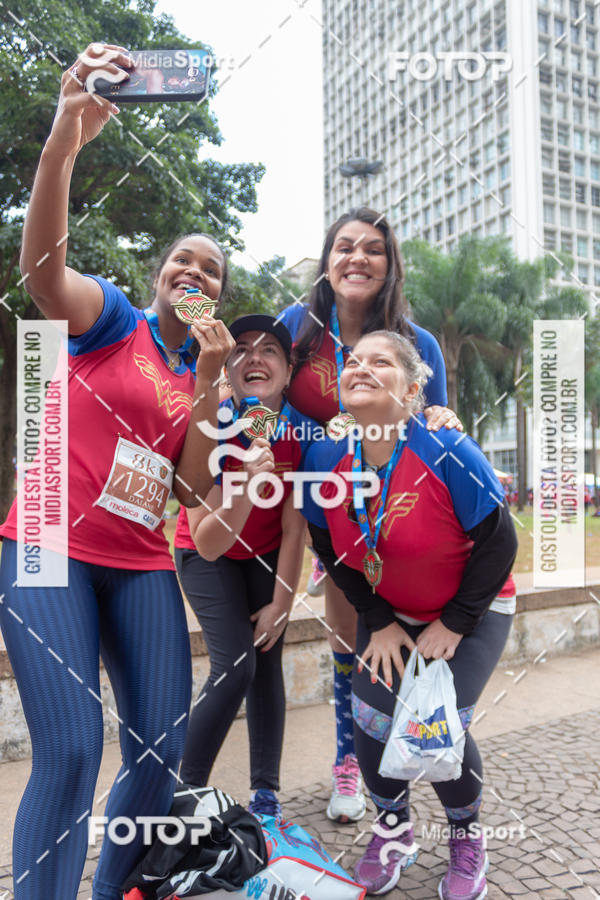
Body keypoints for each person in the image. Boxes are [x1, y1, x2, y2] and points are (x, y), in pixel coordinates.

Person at [0, 44, 234, 900]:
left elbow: (191, 491)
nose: (196, 272)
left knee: (159, 749)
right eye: (184, 260)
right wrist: (66, 140)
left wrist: (210, 391)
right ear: (160, 276)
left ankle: (111, 890)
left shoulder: (201, 378)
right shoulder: (114, 319)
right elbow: (41, 279)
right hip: (45, 545)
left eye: (212, 268)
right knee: (68, 752)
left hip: (138, 564)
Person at [303, 331, 518, 898]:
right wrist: (378, 618)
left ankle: (468, 837)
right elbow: (327, 546)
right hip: (395, 612)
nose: (361, 368)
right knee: (371, 718)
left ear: (414, 388)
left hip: (473, 605)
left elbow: (500, 544)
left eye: (381, 362)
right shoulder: (324, 457)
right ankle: (394, 829)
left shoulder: (446, 448)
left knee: (438, 720)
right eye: (353, 361)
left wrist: (455, 623)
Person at [277, 206, 461, 823]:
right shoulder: (295, 328)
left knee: (378, 641)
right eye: (345, 247)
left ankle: (410, 764)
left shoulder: (417, 341)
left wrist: (442, 419)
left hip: (391, 516)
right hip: (307, 499)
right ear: (327, 263)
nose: (358, 257)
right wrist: (320, 426)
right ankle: (346, 763)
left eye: (374, 250)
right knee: (344, 639)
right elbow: (256, 404)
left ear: (390, 267)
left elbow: (431, 429)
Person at [174, 314, 315, 818]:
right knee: (235, 665)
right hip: (204, 553)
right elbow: (208, 540)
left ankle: (266, 795)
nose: (255, 357)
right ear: (227, 369)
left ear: (289, 366)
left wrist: (282, 602)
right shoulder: (209, 425)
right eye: (242, 350)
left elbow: (295, 528)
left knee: (266, 660)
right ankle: (182, 791)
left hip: (265, 556)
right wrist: (246, 484)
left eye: (270, 349)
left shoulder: (300, 433)